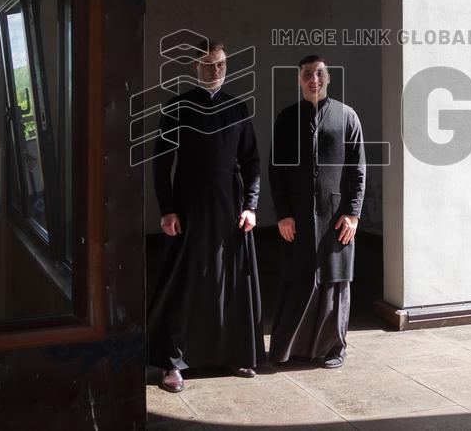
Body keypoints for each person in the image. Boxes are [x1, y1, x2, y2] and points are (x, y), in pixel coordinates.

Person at [146, 40, 265, 393]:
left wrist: (251, 206)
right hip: (188, 207)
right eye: (208, 64)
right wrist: (166, 209)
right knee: (184, 284)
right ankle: (173, 365)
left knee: (228, 282)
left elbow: (252, 163)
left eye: (220, 65)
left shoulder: (237, 108)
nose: (215, 71)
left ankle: (231, 354)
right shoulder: (177, 107)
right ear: (195, 67)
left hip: (230, 210)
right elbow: (162, 162)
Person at [269, 55, 365, 369]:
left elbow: (358, 170)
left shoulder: (347, 116)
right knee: (297, 280)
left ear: (328, 78)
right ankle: (292, 349)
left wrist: (353, 213)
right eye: (308, 74)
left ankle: (334, 348)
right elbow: (276, 170)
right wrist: (283, 213)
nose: (314, 79)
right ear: (299, 79)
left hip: (336, 215)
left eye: (319, 73)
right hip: (296, 216)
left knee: (335, 284)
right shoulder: (286, 119)